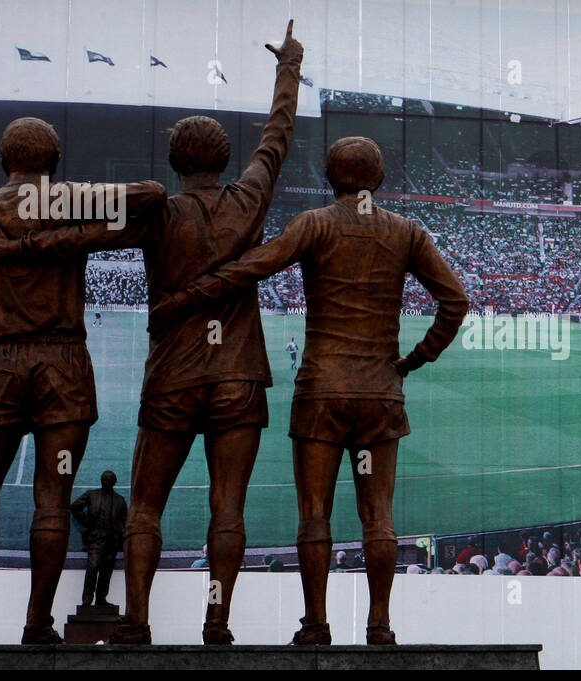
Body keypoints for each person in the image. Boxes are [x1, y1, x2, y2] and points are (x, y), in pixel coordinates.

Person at [0, 20, 305, 645]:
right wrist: (288, 68)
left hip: (174, 375)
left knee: (146, 507)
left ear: (176, 162)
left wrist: (23, 244)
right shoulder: (250, 198)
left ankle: (138, 620)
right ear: (225, 160)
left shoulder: (157, 212)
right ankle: (217, 622)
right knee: (226, 508)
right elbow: (276, 139)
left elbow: (87, 236)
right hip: (239, 373)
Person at [149, 135, 469, 646]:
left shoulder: (315, 224)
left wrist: (186, 297)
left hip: (322, 389)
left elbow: (252, 267)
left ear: (330, 177)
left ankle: (316, 624)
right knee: (379, 516)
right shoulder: (407, 232)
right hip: (380, 393)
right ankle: (379, 625)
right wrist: (413, 360)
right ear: (378, 178)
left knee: (314, 514)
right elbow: (455, 302)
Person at [0, 116, 164, 645]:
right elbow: (150, 195)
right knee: (53, 500)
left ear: (5, 160)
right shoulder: (68, 200)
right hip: (63, 368)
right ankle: (39, 624)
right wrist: (72, 210)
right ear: (53, 162)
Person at [70, 471, 128, 607]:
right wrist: (87, 523)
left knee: (106, 571)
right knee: (93, 567)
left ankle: (101, 598)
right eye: (104, 480)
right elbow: (75, 507)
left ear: (114, 483)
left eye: (108, 481)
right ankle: (87, 599)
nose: (105, 482)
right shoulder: (92, 495)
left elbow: (125, 520)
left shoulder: (120, 500)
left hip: (112, 540)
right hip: (96, 538)